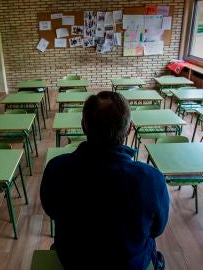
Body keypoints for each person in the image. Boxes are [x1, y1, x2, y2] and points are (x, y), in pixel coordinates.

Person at [40, 91, 170, 270]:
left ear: (84, 126)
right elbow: (157, 229)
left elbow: (51, 210)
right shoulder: (152, 179)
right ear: (129, 128)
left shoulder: (56, 169)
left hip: (74, 261)